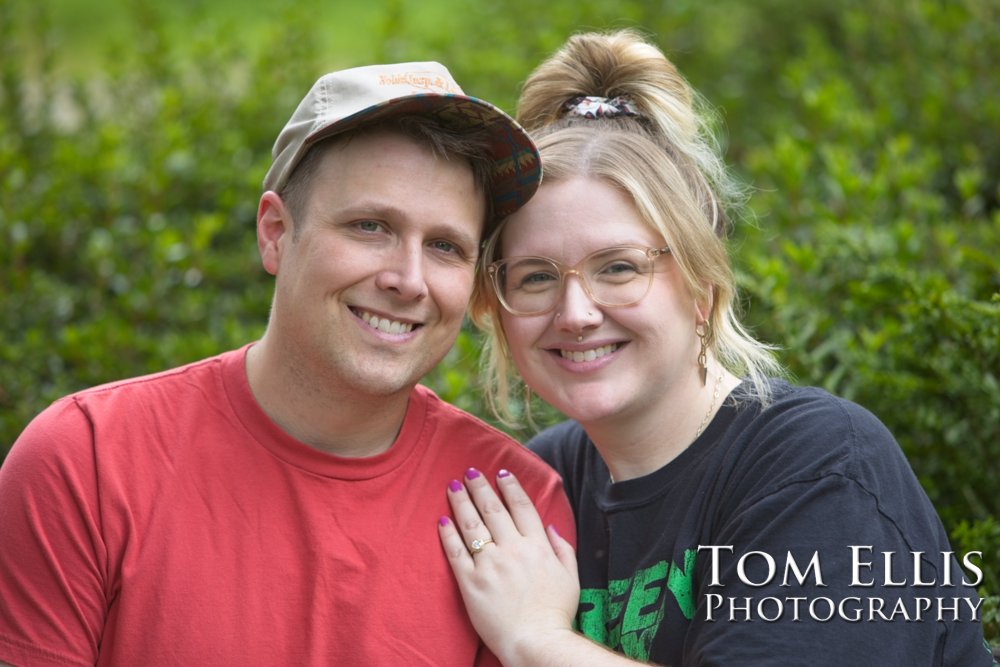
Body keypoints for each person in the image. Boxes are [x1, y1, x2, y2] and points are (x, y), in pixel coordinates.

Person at [437, 30, 996, 666]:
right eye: (536, 276)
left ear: (702, 286)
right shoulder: (541, 483)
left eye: (619, 268)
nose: (576, 313)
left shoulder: (819, 465)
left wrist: (537, 640)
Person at [0, 61, 575, 666]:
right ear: (275, 233)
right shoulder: (87, 462)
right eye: (370, 226)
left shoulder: (512, 516)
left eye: (444, 247)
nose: (408, 280)